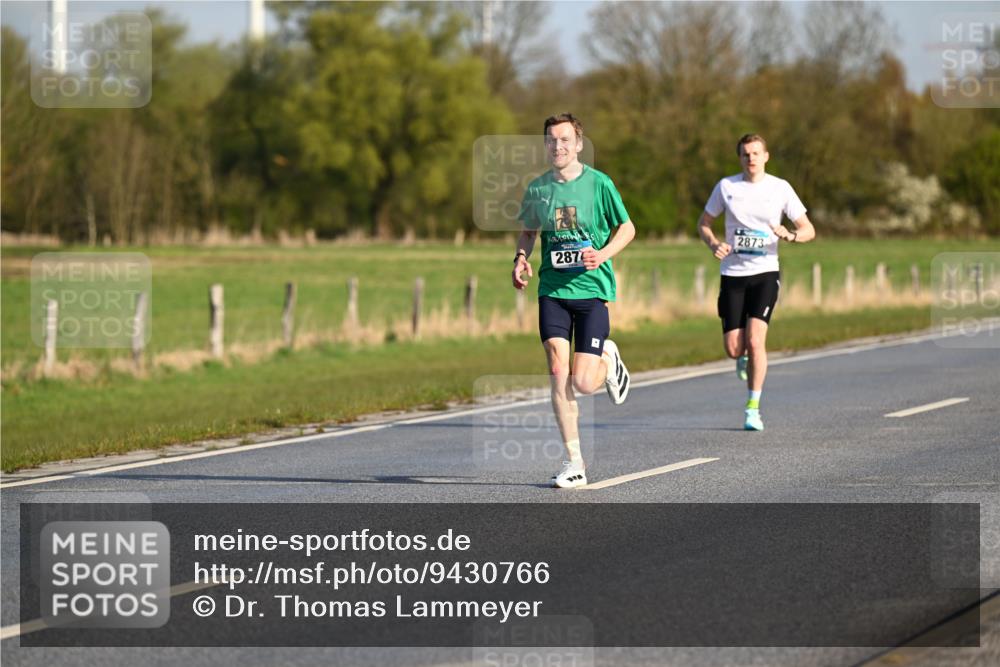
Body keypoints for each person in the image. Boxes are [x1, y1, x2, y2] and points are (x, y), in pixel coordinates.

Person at [512, 113, 636, 488]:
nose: (558, 146)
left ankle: (607, 357)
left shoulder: (599, 184)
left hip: (592, 290)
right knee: (556, 369)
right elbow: (528, 232)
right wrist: (520, 259)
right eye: (551, 140)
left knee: (583, 382)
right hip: (553, 290)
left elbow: (627, 228)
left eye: (565, 139)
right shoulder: (537, 190)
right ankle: (574, 461)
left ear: (579, 144)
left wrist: (604, 253)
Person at [697, 133, 815, 431]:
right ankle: (743, 359)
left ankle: (752, 408)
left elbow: (808, 229)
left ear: (766, 156)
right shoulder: (727, 187)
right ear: (740, 158)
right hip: (733, 274)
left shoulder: (780, 188)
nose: (751, 158)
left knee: (755, 340)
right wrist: (714, 245)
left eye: (756, 153)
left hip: (765, 273)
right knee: (735, 348)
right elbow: (704, 223)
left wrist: (791, 235)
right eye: (745, 154)